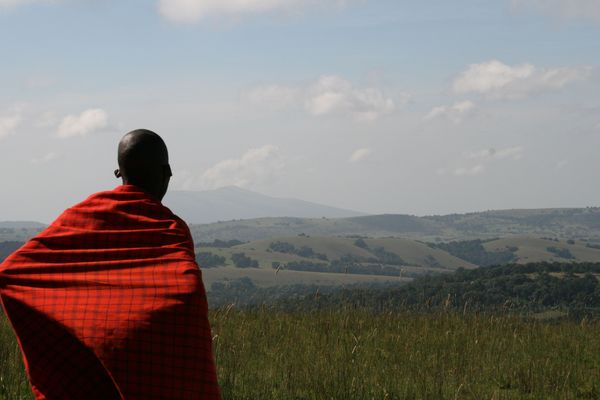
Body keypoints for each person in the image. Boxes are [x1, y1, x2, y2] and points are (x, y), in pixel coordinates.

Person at [0, 129, 221, 399]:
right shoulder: (170, 228)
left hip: (92, 362)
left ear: (118, 173)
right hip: (159, 369)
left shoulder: (84, 215)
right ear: (167, 173)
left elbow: (12, 271)